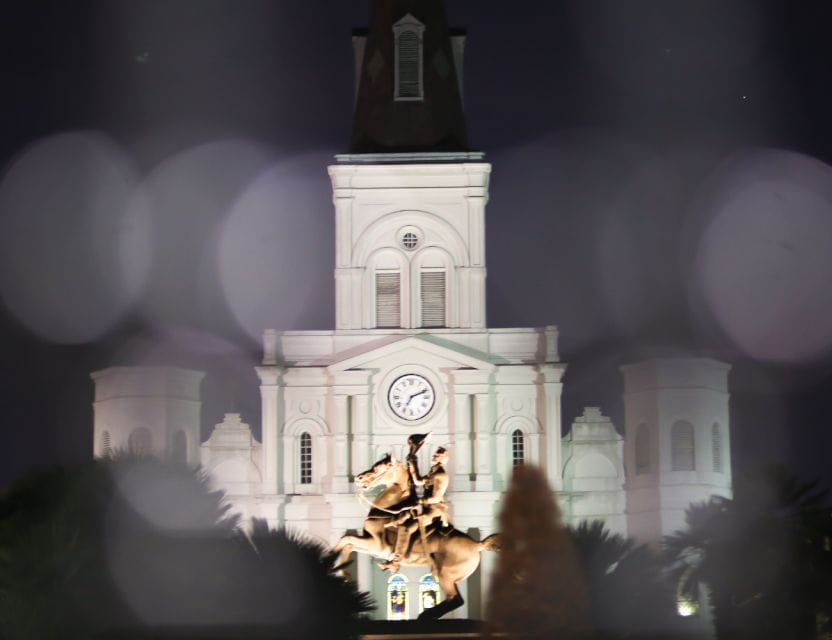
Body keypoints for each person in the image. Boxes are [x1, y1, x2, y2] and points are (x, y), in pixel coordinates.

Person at [381, 445, 451, 572]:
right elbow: (419, 481)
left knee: (407, 528)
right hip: (424, 506)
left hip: (433, 510)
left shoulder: (441, 475)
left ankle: (396, 561)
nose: (434, 455)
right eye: (436, 453)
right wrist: (412, 462)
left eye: (438, 454)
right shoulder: (433, 471)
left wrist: (419, 501)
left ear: (443, 459)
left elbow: (436, 498)